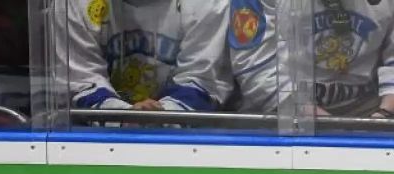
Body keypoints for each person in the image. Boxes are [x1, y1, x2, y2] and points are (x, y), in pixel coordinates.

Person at [228, 0, 394, 117]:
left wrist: (383, 115)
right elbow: (256, 67)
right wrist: (331, 125)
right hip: (280, 114)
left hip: (368, 111)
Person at [61, 0, 233, 112]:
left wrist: (163, 113)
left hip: (190, 141)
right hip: (96, 140)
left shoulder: (208, 4)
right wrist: (122, 114)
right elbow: (81, 80)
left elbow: (202, 79)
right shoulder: (75, 4)